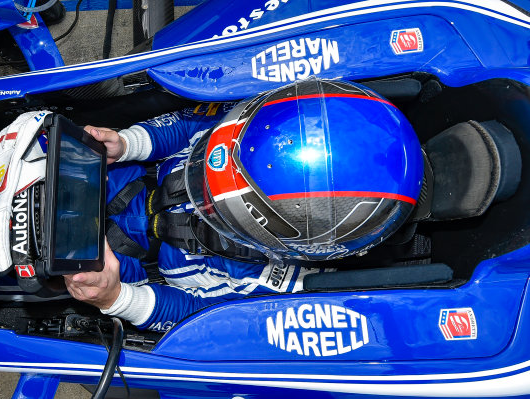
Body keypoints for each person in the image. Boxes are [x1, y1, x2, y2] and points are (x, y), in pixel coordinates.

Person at [63, 78, 424, 332]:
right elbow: (190, 126)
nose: (199, 197)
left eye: (218, 208)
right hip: (116, 176)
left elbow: (196, 317)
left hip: (115, 264)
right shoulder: (254, 124)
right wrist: (126, 144)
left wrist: (114, 298)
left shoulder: (276, 285)